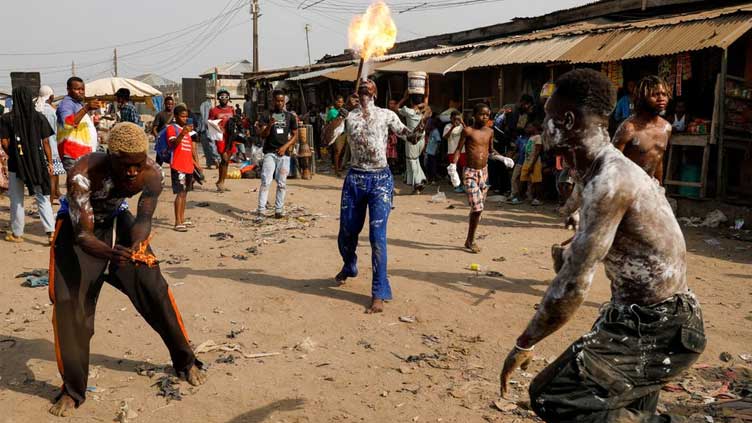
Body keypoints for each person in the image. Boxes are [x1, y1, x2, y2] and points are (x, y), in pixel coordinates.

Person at [499, 69, 704, 423]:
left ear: (565, 120)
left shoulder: (610, 180)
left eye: (547, 117)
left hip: (661, 325)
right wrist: (572, 247)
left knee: (553, 394)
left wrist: (525, 342)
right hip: (632, 317)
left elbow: (573, 286)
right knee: (622, 410)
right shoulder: (595, 172)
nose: (541, 126)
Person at [48, 122, 206, 417]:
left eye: (137, 165)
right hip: (78, 230)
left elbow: (145, 217)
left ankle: (186, 361)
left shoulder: (152, 174)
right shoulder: (83, 174)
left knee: (155, 290)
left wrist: (135, 244)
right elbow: (84, 236)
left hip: (119, 220)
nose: (132, 172)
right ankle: (73, 390)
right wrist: (110, 253)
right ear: (111, 157)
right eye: (125, 165)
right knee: (70, 306)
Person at [336, 79, 424, 314]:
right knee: (346, 233)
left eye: (370, 83)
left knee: (377, 237)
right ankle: (349, 265)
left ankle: (379, 292)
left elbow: (411, 137)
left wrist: (422, 124)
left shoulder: (386, 115)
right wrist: (340, 115)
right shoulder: (349, 116)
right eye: (363, 84)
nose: (366, 84)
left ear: (375, 92)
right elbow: (326, 139)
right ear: (358, 91)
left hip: (380, 181)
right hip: (355, 179)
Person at [0, 86, 55, 244]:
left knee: (17, 198)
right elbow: (46, 142)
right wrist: (49, 162)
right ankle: (50, 233)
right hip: (37, 162)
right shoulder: (39, 117)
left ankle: (17, 234)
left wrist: (14, 155)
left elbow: (4, 142)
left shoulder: (6, 118)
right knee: (42, 196)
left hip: (16, 164)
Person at [452, 103, 498, 254]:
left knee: (478, 209)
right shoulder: (468, 131)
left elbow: (491, 151)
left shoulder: (490, 132)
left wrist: (503, 158)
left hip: (483, 173)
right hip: (470, 173)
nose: (485, 117)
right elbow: (459, 149)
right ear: (474, 115)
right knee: (477, 208)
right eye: (481, 114)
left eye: (487, 114)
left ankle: (469, 239)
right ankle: (471, 241)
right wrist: (453, 165)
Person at [613, 75, 672, 184]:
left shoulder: (666, 128)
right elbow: (611, 164)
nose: (661, 98)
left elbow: (658, 161)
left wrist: (659, 188)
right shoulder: (628, 128)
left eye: (664, 94)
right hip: (628, 188)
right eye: (655, 94)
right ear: (642, 97)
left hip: (650, 188)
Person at [256, 90, 298, 219]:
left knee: (282, 183)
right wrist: (269, 125)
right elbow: (263, 135)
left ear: (284, 101)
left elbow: (295, 135)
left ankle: (279, 210)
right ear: (272, 101)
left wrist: (285, 147)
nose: (279, 103)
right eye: (277, 101)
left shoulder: (289, 116)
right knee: (265, 181)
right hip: (270, 153)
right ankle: (261, 210)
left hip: (284, 155)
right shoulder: (265, 115)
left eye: (282, 101)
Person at [165, 105, 201, 231]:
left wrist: (197, 165)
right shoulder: (172, 128)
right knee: (180, 193)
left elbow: (190, 150)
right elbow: (173, 144)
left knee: (185, 194)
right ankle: (177, 221)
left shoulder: (188, 132)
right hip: (177, 165)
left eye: (186, 116)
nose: (185, 119)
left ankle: (182, 218)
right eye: (182, 116)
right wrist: (182, 133)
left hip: (188, 166)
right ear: (176, 116)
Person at [57, 77, 100, 173]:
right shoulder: (66, 104)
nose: (81, 92)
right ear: (68, 90)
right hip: (73, 155)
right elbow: (68, 124)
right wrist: (86, 108)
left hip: (83, 154)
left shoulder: (78, 104)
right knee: (78, 186)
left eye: (82, 89)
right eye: (77, 89)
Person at [398, 83, 430, 194]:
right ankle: (419, 181)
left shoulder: (408, 111)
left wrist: (404, 98)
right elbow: (426, 96)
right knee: (416, 160)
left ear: (411, 101)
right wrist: (427, 81)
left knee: (412, 160)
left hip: (412, 140)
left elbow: (395, 108)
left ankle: (418, 183)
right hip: (421, 139)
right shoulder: (424, 110)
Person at [35, 85, 65, 201]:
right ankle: (49, 205)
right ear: (51, 96)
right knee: (52, 178)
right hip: (52, 149)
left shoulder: (37, 110)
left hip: (40, 149)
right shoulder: (52, 112)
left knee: (51, 177)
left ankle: (55, 195)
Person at [208, 88, 236, 191]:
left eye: (226, 97)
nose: (224, 99)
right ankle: (220, 181)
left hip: (230, 137)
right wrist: (218, 127)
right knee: (224, 158)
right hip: (220, 137)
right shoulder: (214, 110)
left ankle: (221, 182)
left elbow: (235, 121)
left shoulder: (232, 109)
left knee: (227, 161)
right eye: (221, 97)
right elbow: (209, 123)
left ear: (229, 98)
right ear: (218, 98)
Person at [516, 122, 544, 206]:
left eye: (529, 127)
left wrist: (532, 164)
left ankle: (538, 199)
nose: (527, 129)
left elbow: (537, 152)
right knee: (522, 178)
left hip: (535, 162)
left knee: (537, 181)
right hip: (527, 161)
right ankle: (519, 197)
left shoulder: (538, 137)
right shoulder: (531, 137)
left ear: (534, 128)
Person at [325, 95, 347, 176]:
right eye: (339, 102)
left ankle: (339, 167)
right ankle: (336, 170)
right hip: (335, 133)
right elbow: (328, 122)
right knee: (337, 151)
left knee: (342, 151)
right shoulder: (332, 111)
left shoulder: (343, 110)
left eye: (342, 102)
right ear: (335, 102)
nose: (340, 103)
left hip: (343, 132)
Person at [443, 111, 465, 192]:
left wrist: (462, 122)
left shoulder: (462, 126)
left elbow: (468, 132)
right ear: (451, 119)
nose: (456, 120)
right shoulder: (447, 126)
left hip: (462, 150)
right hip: (452, 151)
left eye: (458, 119)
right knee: (453, 169)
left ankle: (463, 184)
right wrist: (452, 127)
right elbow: (445, 137)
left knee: (463, 168)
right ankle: (457, 186)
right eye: (454, 119)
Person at [199, 95, 220, 169]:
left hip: (205, 129)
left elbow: (202, 117)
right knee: (211, 145)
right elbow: (205, 118)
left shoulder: (204, 105)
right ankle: (216, 160)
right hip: (207, 128)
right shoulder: (207, 105)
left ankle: (212, 162)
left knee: (208, 146)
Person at [424, 117, 442, 184]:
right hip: (429, 151)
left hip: (433, 152)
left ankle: (433, 179)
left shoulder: (435, 131)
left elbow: (438, 142)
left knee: (432, 166)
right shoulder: (432, 131)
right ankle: (430, 179)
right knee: (429, 166)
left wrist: (436, 150)